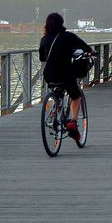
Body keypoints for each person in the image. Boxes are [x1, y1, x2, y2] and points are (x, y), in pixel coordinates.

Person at [39, 12, 95, 142]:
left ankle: (54, 113)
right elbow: (84, 46)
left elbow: (42, 57)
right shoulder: (68, 36)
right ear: (61, 23)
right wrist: (91, 52)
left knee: (57, 91)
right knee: (76, 96)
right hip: (65, 74)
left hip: (49, 75)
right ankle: (73, 122)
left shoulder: (44, 39)